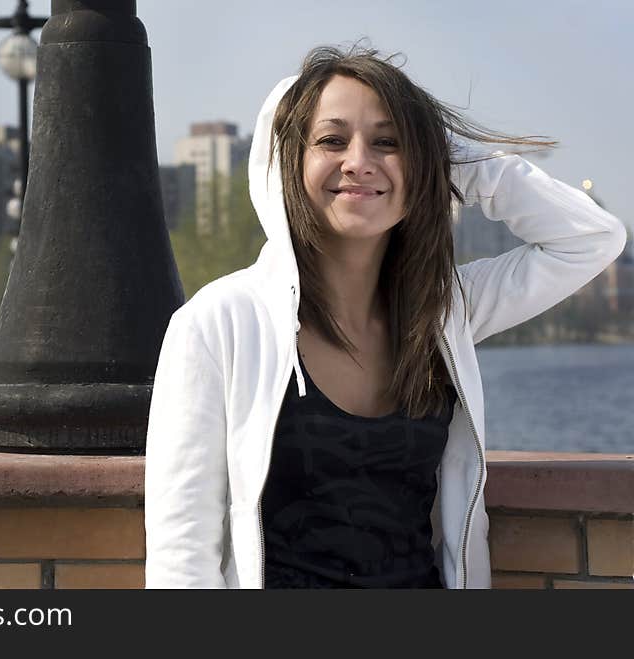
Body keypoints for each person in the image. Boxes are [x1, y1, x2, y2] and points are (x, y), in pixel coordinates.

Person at [144, 45, 627, 589]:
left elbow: (591, 239)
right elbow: (180, 557)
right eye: (331, 140)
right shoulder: (219, 324)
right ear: (288, 162)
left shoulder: (443, 312)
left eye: (387, 142)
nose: (358, 161)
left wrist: (444, 156)